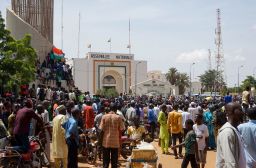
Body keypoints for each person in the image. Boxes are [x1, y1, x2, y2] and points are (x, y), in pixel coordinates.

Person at [216, 103, 246, 168]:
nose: (242, 112)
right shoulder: (227, 132)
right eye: (240, 110)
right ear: (230, 112)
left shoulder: (235, 129)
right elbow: (230, 162)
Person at [99, 103, 125, 168]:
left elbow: (101, 129)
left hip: (106, 142)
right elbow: (122, 129)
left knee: (105, 162)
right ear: (116, 110)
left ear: (109, 109)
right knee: (114, 162)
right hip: (115, 142)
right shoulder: (118, 117)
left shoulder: (104, 117)